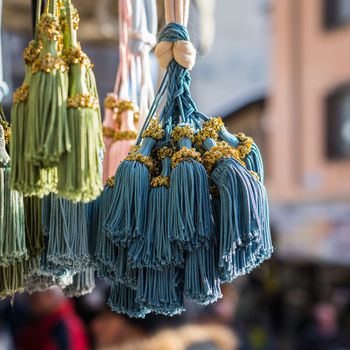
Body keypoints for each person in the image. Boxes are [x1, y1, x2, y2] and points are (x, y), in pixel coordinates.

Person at [16, 288, 89, 350]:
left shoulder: (64, 327)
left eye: (34, 294)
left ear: (49, 295)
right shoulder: (46, 322)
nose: (30, 299)